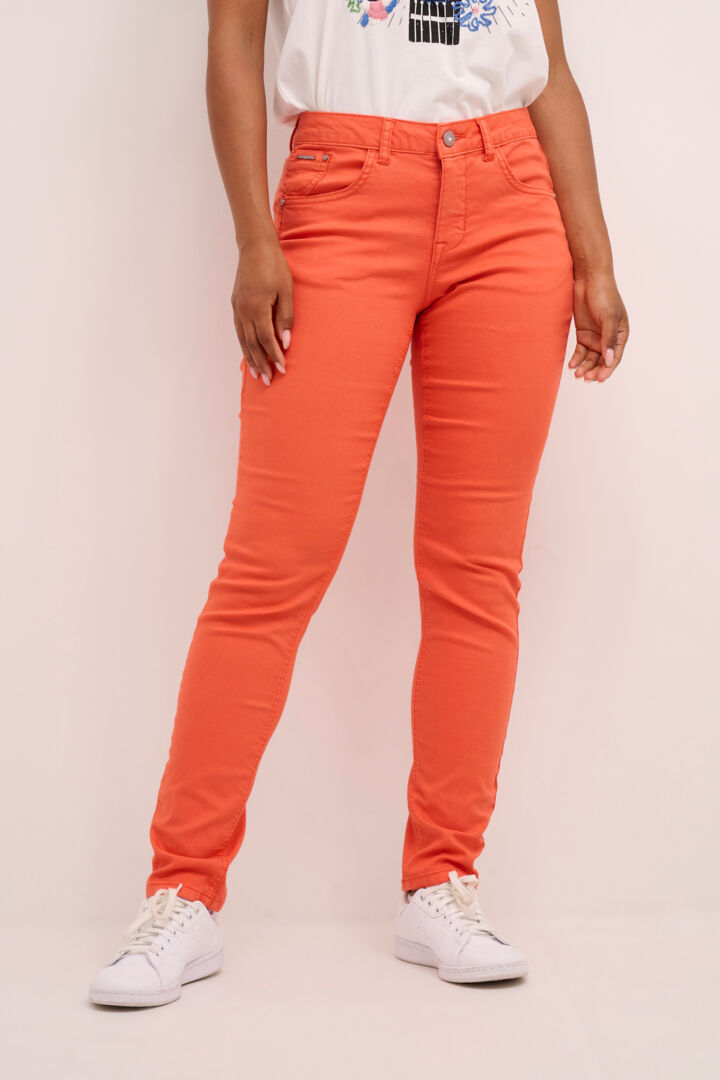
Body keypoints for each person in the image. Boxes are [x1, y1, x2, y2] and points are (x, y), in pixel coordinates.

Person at [90, 0, 629, 1007]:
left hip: (513, 203)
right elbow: (233, 42)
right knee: (270, 569)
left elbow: (548, 66)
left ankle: (443, 881)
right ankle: (182, 892)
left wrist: (593, 254)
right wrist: (254, 238)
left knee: (478, 571)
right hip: (341, 195)